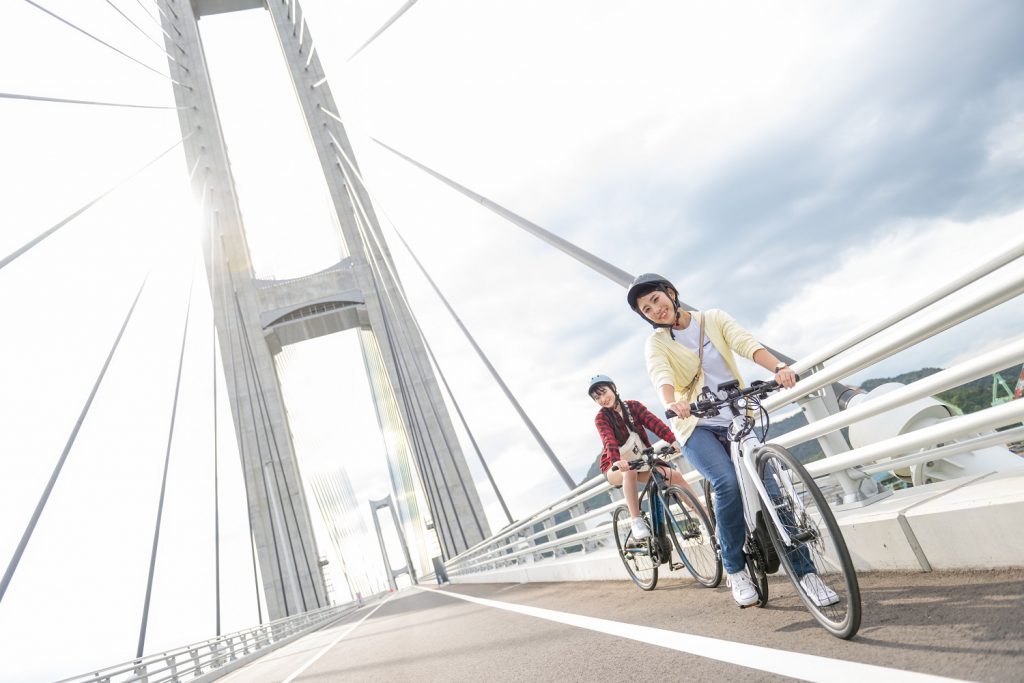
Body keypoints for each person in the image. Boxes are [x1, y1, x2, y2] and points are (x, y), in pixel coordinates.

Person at [625, 273, 839, 608]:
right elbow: (660, 374)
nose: (655, 309)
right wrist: (671, 403)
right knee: (726, 483)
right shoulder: (657, 343)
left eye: (656, 299)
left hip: (737, 416)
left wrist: (779, 367)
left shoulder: (713, 319)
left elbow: (746, 344)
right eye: (646, 309)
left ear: (671, 293)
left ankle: (807, 574)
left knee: (773, 493)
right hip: (696, 425)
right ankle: (734, 568)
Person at [589, 374, 699, 541]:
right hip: (614, 467)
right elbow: (608, 439)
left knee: (673, 476)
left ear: (614, 388)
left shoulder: (633, 406)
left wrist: (672, 440)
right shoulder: (601, 418)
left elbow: (653, 423)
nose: (602, 399)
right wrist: (616, 461)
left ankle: (706, 516)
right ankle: (636, 520)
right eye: (597, 397)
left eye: (604, 392)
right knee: (629, 472)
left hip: (641, 461)